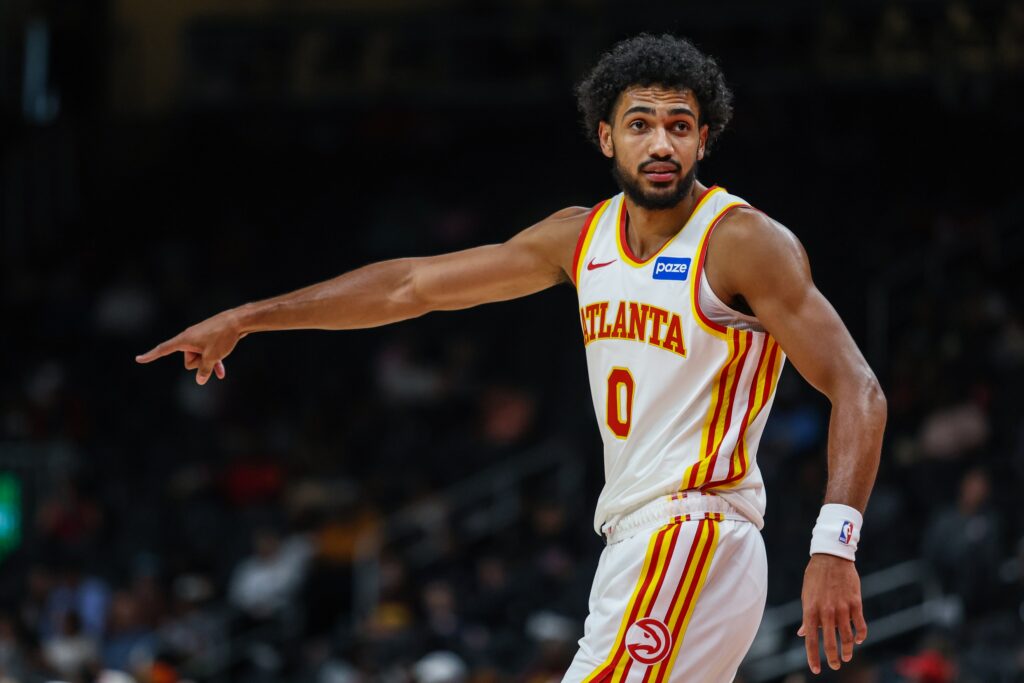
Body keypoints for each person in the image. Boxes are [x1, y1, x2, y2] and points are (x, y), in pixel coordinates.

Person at [137, 33, 887, 682]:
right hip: (639, 543)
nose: (661, 143)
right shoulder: (578, 238)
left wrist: (834, 546)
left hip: (692, 532)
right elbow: (409, 285)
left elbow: (859, 389)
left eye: (680, 126)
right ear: (606, 137)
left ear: (703, 140)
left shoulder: (742, 242)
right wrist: (250, 317)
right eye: (641, 125)